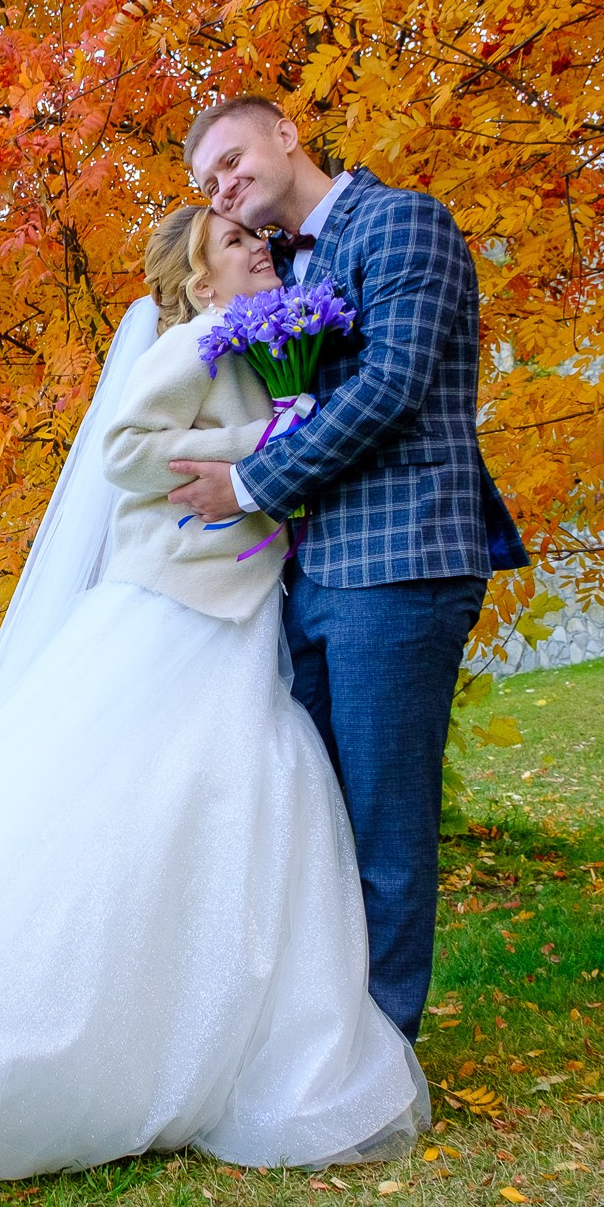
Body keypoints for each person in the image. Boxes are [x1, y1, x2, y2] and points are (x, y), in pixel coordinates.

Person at [0, 204, 425, 1182]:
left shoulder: (267, 347)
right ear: (198, 279)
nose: (258, 253)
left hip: (234, 620)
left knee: (236, 804)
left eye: (258, 241)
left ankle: (223, 1043)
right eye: (237, 245)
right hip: (172, 615)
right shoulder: (195, 339)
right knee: (118, 820)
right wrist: (257, 439)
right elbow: (122, 450)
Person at [169, 96, 529, 1041]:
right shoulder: (282, 268)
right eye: (210, 182)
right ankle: (314, 1038)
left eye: (234, 160)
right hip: (314, 571)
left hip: (402, 559)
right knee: (313, 820)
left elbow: (392, 387)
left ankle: (379, 1061)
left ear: (288, 134)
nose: (226, 186)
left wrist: (249, 481)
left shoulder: (402, 219)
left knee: (384, 826)